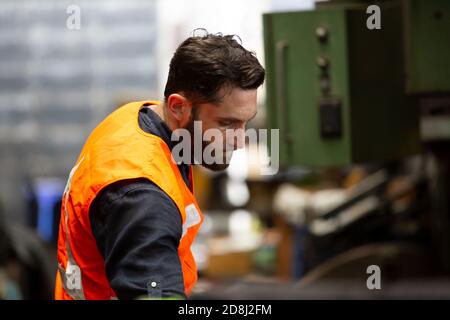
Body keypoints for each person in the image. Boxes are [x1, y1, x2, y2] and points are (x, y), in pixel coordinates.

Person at [54, 31, 265, 300]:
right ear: (178, 107)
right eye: (227, 124)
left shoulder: (137, 118)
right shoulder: (142, 197)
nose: (239, 142)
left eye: (246, 122)